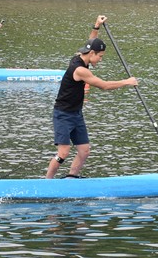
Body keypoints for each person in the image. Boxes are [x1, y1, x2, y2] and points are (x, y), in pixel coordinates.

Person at [45, 15, 138, 179]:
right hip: (63, 114)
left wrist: (96, 26)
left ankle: (71, 178)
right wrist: (127, 82)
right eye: (100, 56)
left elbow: (91, 42)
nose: (100, 60)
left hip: (76, 114)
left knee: (84, 150)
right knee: (64, 152)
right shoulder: (80, 69)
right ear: (92, 53)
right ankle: (47, 183)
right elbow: (104, 86)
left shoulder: (82, 56)